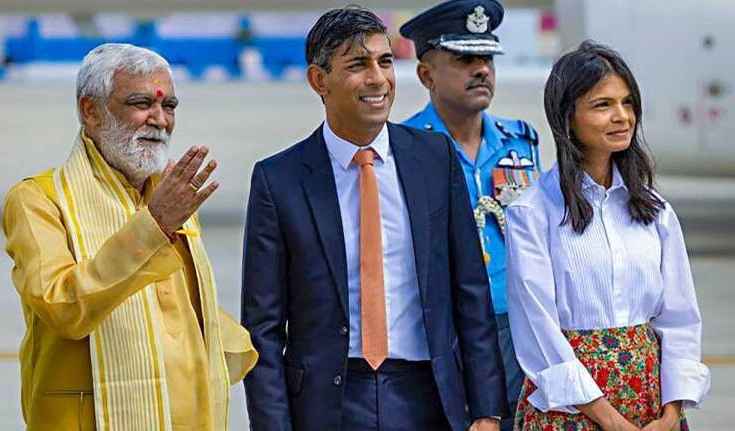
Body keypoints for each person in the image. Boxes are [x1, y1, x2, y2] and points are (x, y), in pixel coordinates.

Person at [241, 6, 507, 431]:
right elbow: (263, 329)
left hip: (430, 395)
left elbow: (470, 293)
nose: (378, 79)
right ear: (319, 80)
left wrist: (488, 410)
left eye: (385, 62)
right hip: (331, 402)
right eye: (358, 65)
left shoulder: (434, 159)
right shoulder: (279, 180)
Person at [2, 43, 257, 431]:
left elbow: (185, 309)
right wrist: (152, 226)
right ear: (91, 111)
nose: (159, 119)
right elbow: (63, 305)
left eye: (169, 106)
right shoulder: (37, 199)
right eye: (142, 103)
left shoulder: (169, 195)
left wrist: (267, 350)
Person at [505, 40, 710, 431]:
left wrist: (670, 414)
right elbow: (538, 329)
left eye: (628, 102)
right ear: (567, 118)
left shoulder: (656, 211)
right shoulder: (533, 213)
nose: (622, 116)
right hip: (570, 409)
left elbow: (680, 319)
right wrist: (608, 419)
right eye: (603, 105)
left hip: (653, 402)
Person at [400, 2, 541, 429]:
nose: (481, 69)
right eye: (464, 59)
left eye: (487, 59)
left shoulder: (521, 142)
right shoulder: (405, 149)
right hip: (448, 331)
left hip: (519, 325)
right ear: (426, 75)